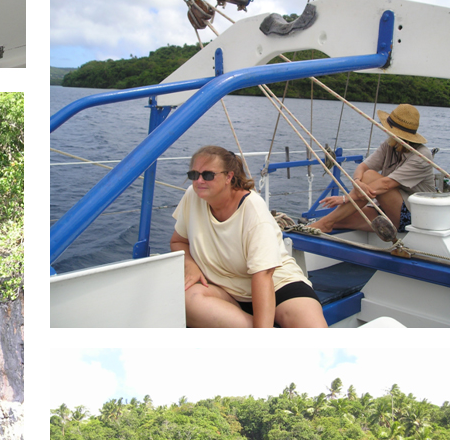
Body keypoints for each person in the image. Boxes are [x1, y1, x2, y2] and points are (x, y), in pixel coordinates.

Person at [170, 145, 327, 328]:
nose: (198, 181)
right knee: (188, 300)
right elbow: (178, 241)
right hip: (225, 288)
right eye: (193, 175)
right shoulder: (193, 196)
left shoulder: (253, 209)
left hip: (277, 284)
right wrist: (191, 266)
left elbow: (264, 276)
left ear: (229, 176)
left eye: (207, 175)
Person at [311, 105, 436, 234]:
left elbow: (386, 185)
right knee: (337, 221)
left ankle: (324, 224)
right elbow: (363, 167)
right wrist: (357, 181)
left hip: (415, 217)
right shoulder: (390, 145)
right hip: (385, 209)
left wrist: (346, 198)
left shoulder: (422, 155)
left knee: (370, 176)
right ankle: (321, 224)